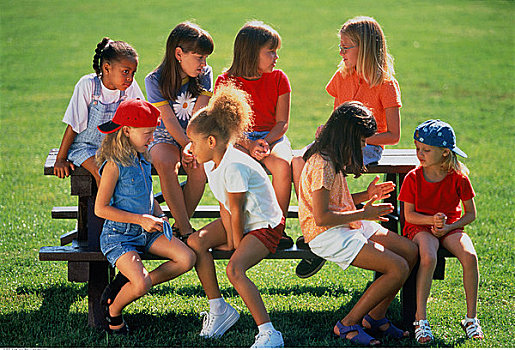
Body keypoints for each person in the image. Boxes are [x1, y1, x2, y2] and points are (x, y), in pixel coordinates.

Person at [298, 101, 417, 346]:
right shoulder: (323, 164)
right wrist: (364, 213)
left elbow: (338, 201)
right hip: (325, 233)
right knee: (398, 268)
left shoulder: (332, 156)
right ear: (348, 136)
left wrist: (366, 195)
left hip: (344, 223)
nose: (365, 145)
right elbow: (322, 217)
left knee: (410, 251)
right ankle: (348, 324)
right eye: (362, 140)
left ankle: (375, 317)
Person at [294, 15, 402, 278]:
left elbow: (393, 135)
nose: (340, 52)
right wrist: (327, 132)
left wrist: (359, 139)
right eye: (340, 47)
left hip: (367, 146)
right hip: (340, 143)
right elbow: (337, 120)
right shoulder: (341, 76)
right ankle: (313, 227)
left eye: (346, 47)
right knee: (299, 159)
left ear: (364, 49)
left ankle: (325, 224)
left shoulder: (386, 84)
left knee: (326, 162)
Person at [184, 84, 285, 348]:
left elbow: (237, 210)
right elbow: (224, 205)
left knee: (234, 269)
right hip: (242, 219)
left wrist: (236, 245)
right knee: (196, 242)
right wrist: (229, 238)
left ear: (211, 141)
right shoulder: (209, 162)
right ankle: (219, 309)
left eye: (193, 143)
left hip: (265, 225)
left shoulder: (235, 166)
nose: (190, 149)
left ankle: (269, 333)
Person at [94, 99, 196, 335]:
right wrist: (141, 220)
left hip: (147, 232)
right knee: (141, 284)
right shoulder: (114, 165)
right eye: (148, 133)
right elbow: (101, 209)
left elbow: (147, 197)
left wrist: (160, 215)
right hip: (119, 237)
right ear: (127, 131)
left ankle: (132, 283)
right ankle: (114, 308)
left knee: (187, 259)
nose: (152, 139)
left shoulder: (142, 156)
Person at [398, 119, 484, 343]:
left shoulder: (459, 178)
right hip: (420, 227)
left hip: (450, 227)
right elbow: (409, 216)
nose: (420, 154)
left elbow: (470, 214)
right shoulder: (413, 178)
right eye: (418, 148)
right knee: (428, 255)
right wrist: (432, 220)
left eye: (426, 150)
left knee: (470, 256)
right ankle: (420, 319)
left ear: (445, 152)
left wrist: (448, 226)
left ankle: (471, 318)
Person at [215, 21, 293, 249]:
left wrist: (265, 142)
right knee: (230, 167)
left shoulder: (279, 78)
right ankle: (239, 228)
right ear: (250, 54)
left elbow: (282, 122)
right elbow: (224, 126)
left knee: (280, 165)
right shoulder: (225, 82)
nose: (276, 57)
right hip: (238, 138)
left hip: (272, 136)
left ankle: (277, 228)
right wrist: (248, 144)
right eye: (270, 52)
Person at [145, 22, 214, 241]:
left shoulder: (204, 74)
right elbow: (167, 119)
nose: (203, 64)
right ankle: (185, 230)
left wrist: (192, 145)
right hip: (164, 134)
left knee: (198, 167)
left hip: (195, 133)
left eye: (206, 58)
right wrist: (185, 145)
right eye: (199, 57)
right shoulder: (154, 80)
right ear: (178, 53)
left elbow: (199, 113)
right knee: (166, 163)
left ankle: (177, 226)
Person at [54, 37, 144, 186]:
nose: (130, 78)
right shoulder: (88, 86)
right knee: (103, 174)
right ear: (107, 68)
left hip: (116, 147)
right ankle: (101, 209)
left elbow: (141, 117)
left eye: (133, 73)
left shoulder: (130, 87)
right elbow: (74, 126)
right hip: (86, 148)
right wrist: (60, 159)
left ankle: (133, 209)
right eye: (125, 72)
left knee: (131, 175)